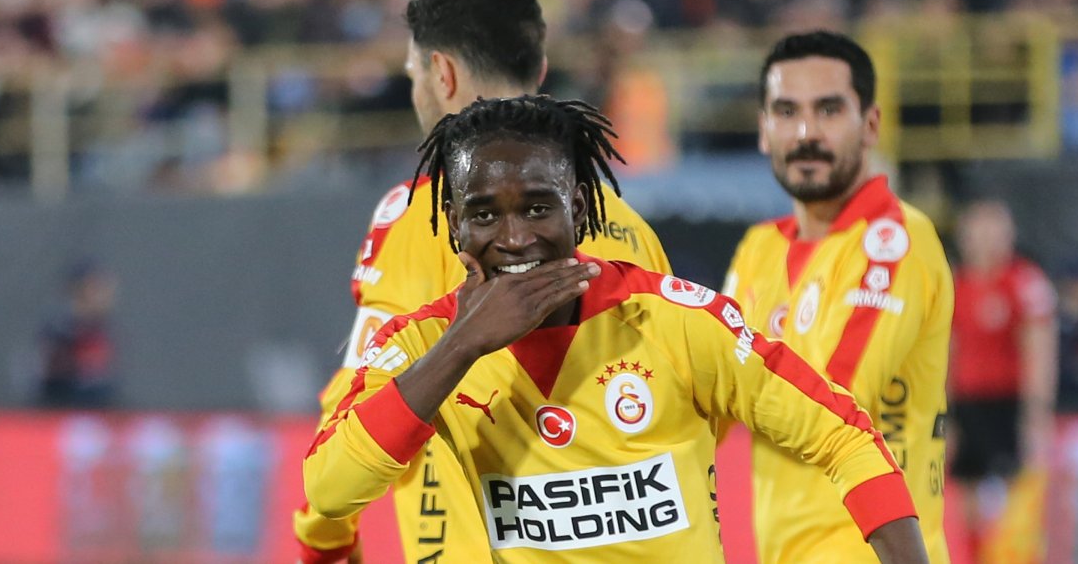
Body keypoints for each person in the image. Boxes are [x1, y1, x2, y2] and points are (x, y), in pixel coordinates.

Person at [304, 94, 929, 563]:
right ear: (454, 224)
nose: (515, 238)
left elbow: (845, 436)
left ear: (578, 207)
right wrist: (463, 344)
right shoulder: (423, 344)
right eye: (485, 215)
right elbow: (329, 489)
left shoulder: (675, 321)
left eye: (539, 207)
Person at [293, 0, 671, 564]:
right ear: (539, 70)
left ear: (441, 73)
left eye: (414, 74)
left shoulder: (424, 214)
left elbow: (357, 403)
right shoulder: (626, 223)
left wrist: (323, 538)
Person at [722, 30, 953, 563]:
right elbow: (708, 400)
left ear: (870, 125)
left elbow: (829, 396)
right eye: (786, 112)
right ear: (763, 130)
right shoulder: (759, 248)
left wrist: (722, 368)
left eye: (828, 110)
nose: (806, 133)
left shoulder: (894, 240)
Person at [949, 199, 1057, 560]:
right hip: (967, 403)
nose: (986, 240)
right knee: (967, 495)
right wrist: (946, 415)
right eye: (978, 231)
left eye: (994, 230)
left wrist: (1035, 413)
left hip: (1008, 403)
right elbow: (947, 353)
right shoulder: (955, 284)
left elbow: (1039, 349)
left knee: (1016, 498)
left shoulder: (1024, 281)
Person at [36, 259, 119, 409]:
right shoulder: (60, 328)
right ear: (79, 290)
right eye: (96, 287)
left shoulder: (103, 328)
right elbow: (52, 380)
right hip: (63, 408)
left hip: (98, 409)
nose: (104, 295)